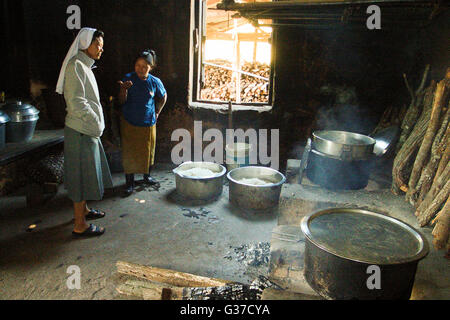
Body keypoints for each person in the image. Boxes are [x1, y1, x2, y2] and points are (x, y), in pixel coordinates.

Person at [56, 28, 113, 237]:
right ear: (85, 43)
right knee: (79, 176)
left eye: (102, 46)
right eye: (97, 45)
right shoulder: (75, 67)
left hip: (86, 130)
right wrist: (95, 120)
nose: (101, 49)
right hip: (80, 130)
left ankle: (84, 211)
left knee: (85, 173)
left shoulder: (85, 66)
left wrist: (95, 124)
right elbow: (76, 103)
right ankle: (80, 225)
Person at [118, 49, 167, 196]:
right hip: (130, 122)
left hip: (148, 122)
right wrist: (123, 90)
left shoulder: (155, 82)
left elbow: (163, 96)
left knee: (148, 151)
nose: (140, 68)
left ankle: (147, 176)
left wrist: (157, 111)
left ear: (151, 68)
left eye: (144, 66)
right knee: (130, 152)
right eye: (138, 65)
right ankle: (129, 182)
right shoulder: (128, 79)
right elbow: (122, 101)